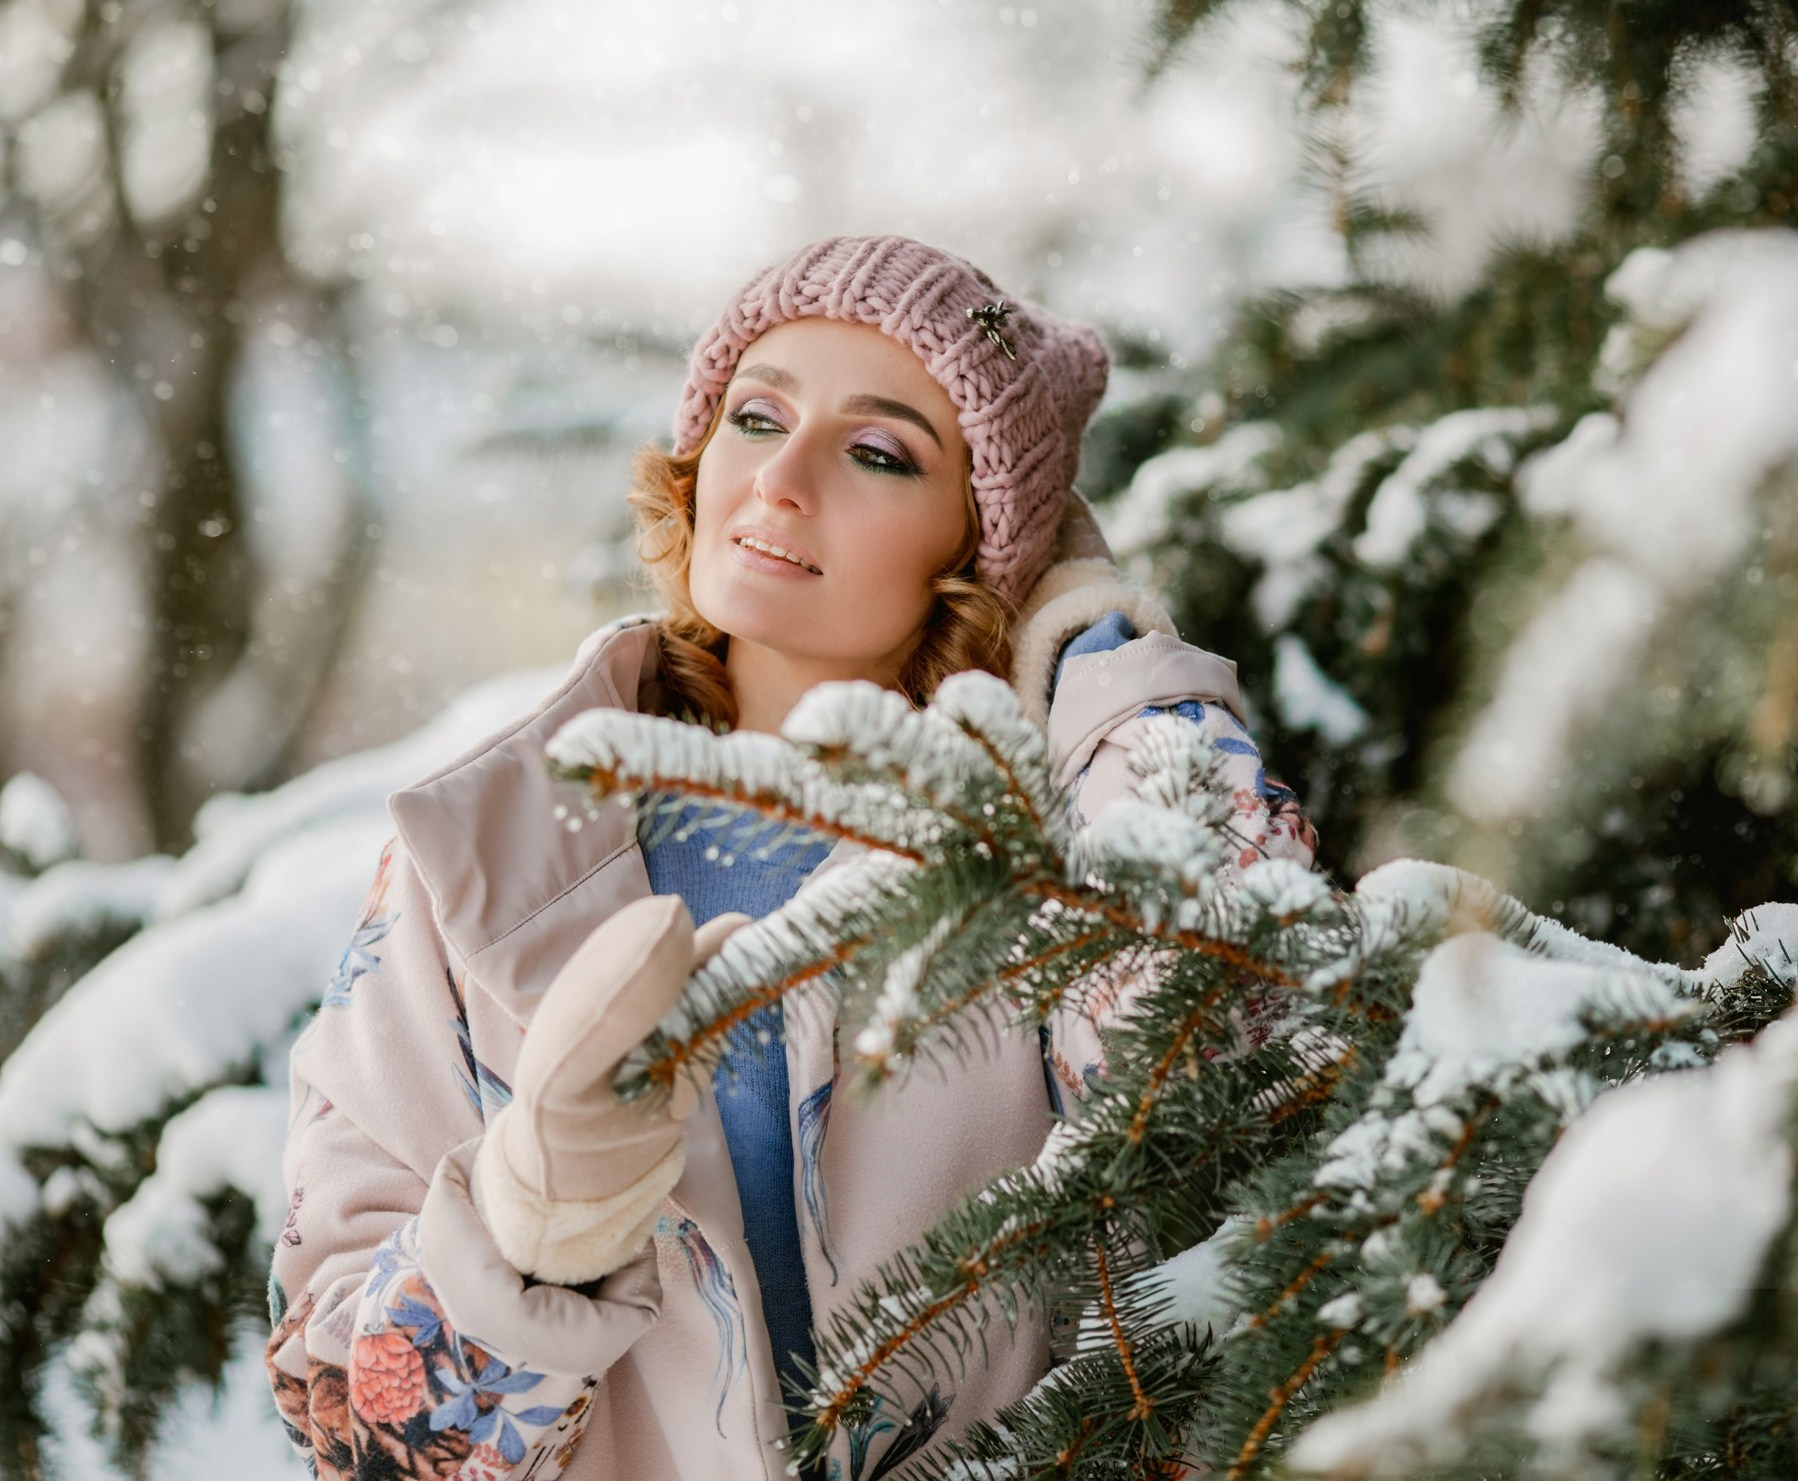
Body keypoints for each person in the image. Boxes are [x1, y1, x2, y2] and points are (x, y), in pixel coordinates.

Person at [263, 236, 1316, 1481]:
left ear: (978, 545)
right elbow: (352, 1430)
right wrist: (529, 1228)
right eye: (756, 416)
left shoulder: (1047, 839)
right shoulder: (482, 846)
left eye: (879, 453)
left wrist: (1113, 673)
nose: (783, 478)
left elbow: (1250, 1089)